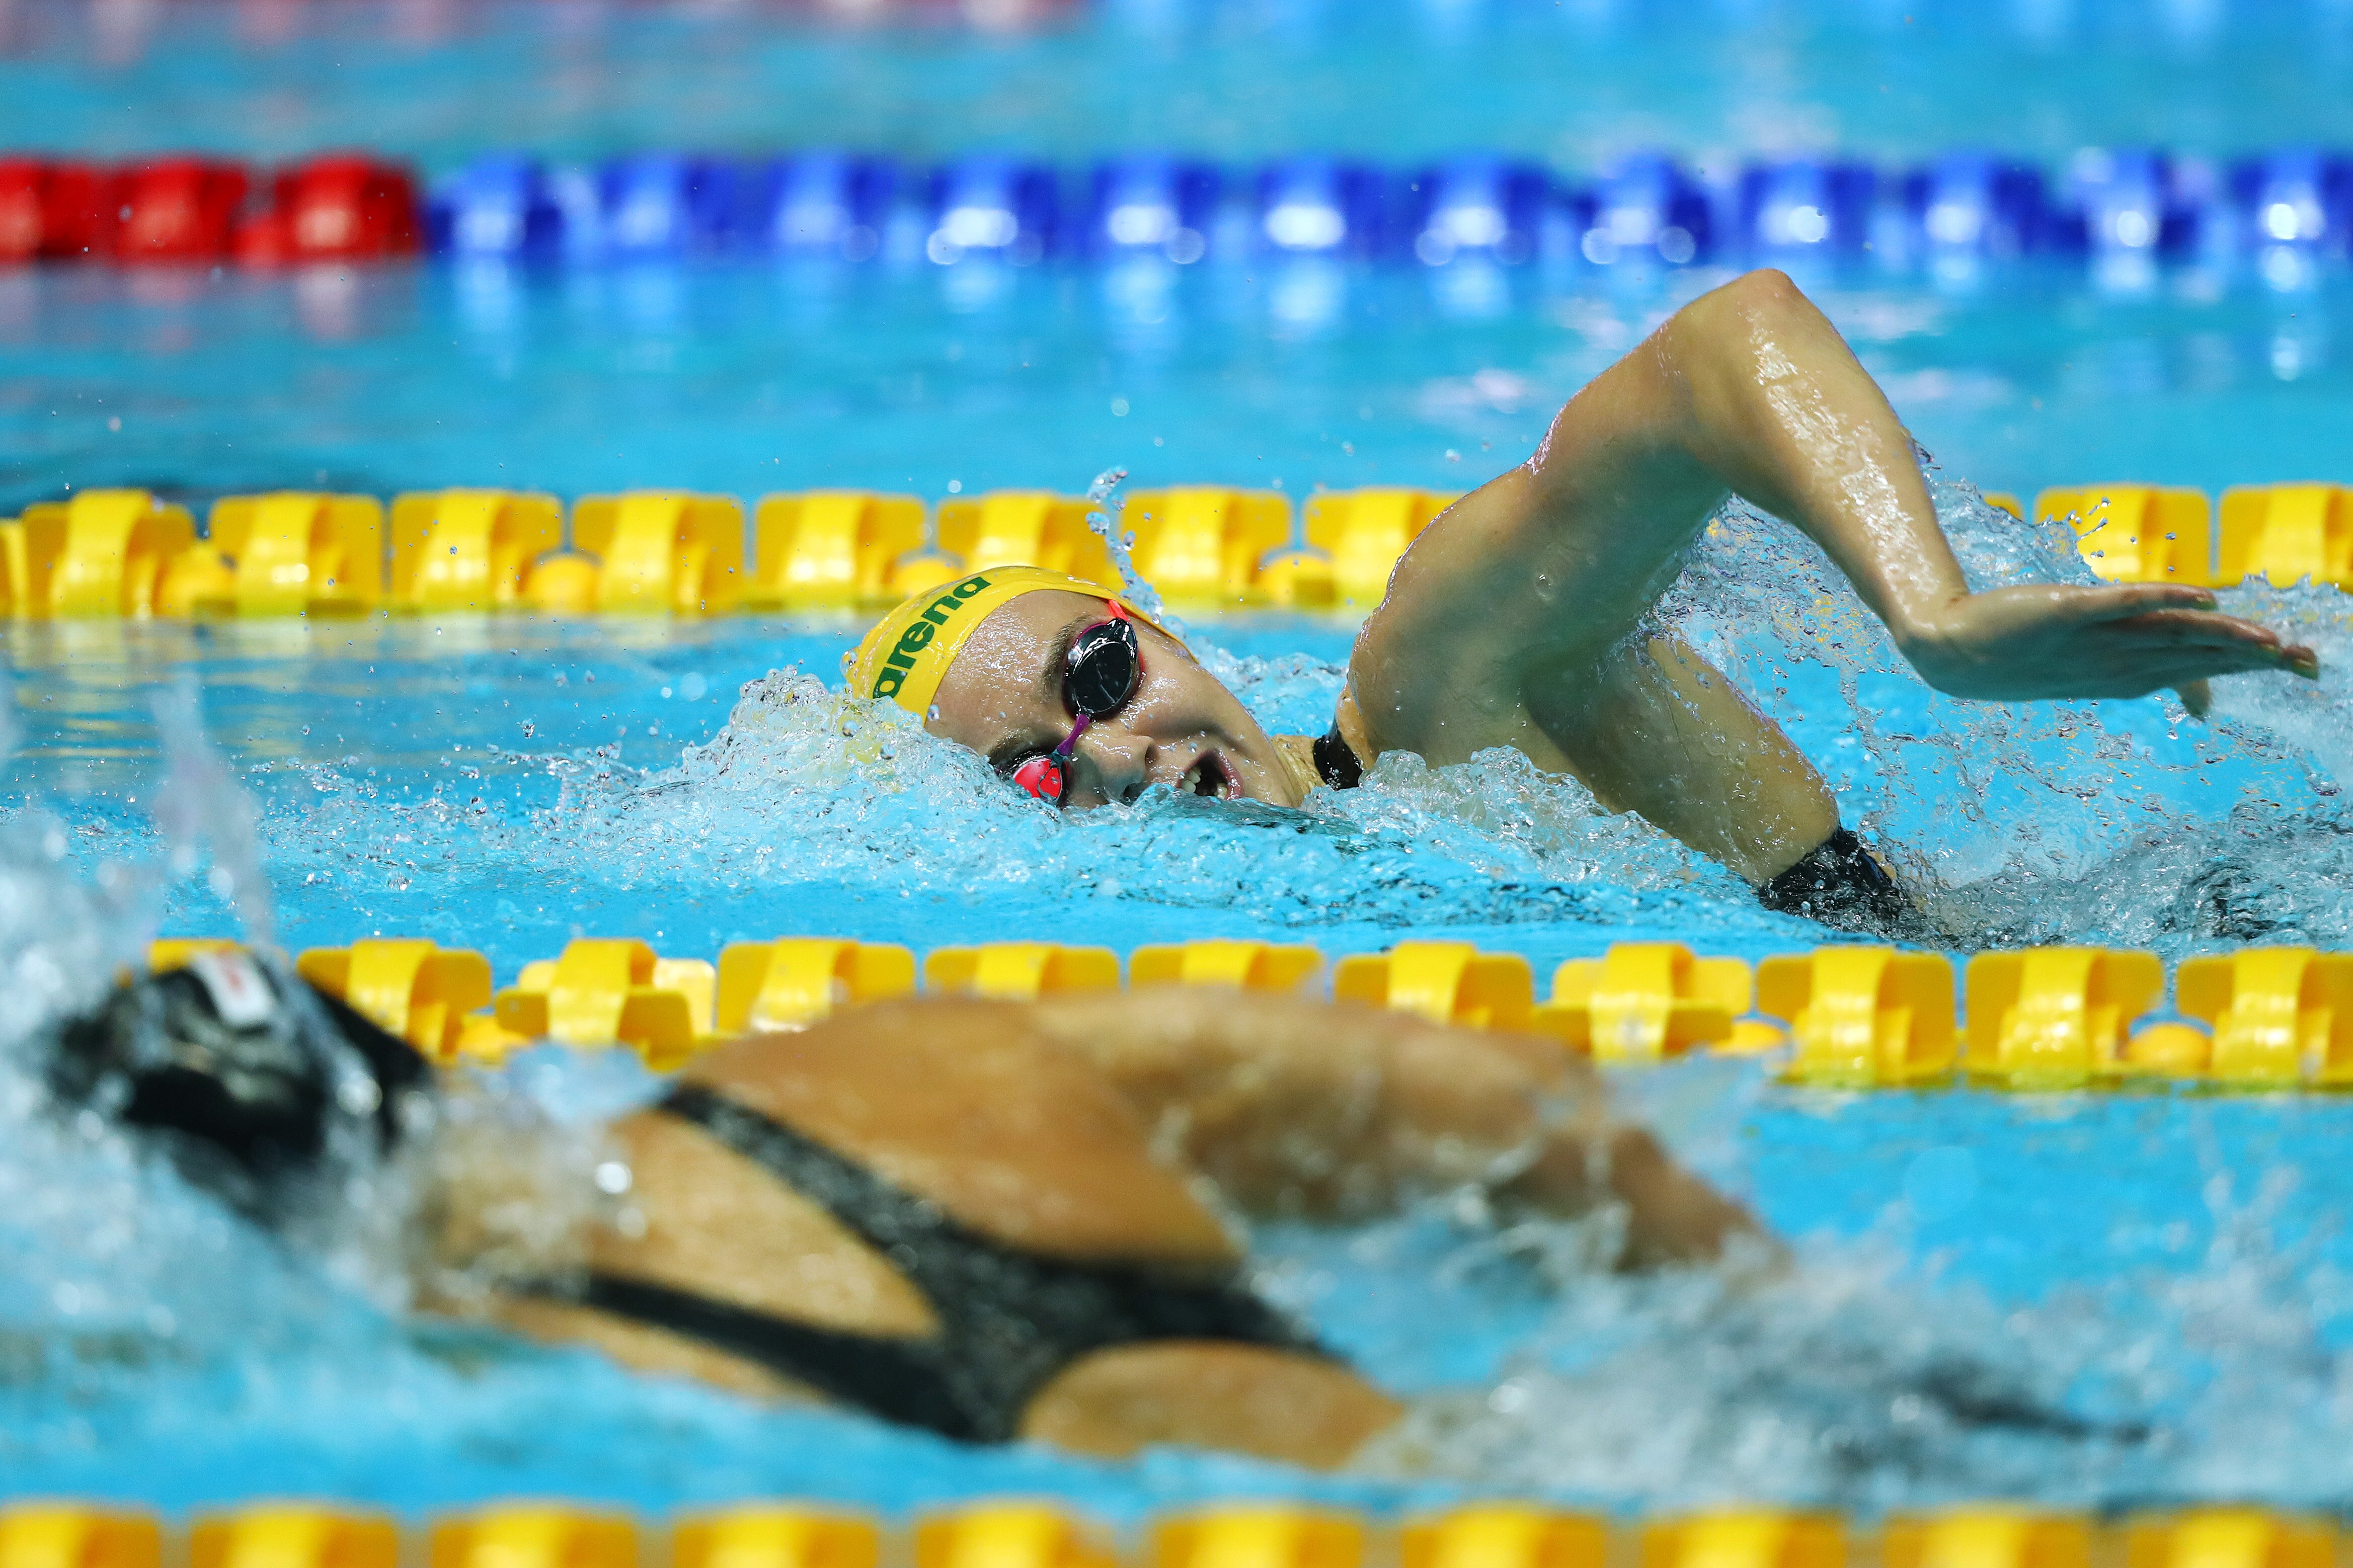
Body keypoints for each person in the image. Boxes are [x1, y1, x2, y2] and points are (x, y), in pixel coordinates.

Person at [850, 269, 2320, 930]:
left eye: (1097, 679)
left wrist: (1933, 621)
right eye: (1038, 773)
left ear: (1154, 629)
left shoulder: (1438, 696)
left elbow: (1725, 343)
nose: (1116, 756)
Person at [47, 947, 1757, 1469]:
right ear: (415, 1065)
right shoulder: (883, 1077)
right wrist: (1758, 1310)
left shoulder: (475, 1386)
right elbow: (1502, 1105)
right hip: (1617, 1475)